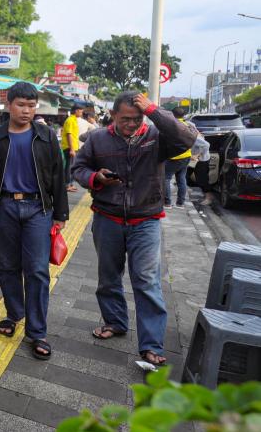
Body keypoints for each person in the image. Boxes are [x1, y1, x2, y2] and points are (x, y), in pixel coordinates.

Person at [72, 91, 196, 367]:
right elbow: (78, 168)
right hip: (107, 218)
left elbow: (186, 138)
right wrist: (95, 178)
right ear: (113, 115)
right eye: (125, 119)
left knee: (147, 281)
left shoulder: (156, 137)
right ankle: (115, 322)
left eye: (137, 118)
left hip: (146, 220)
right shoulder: (97, 138)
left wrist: (153, 110)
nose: (131, 124)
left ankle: (151, 345)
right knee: (108, 276)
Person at [0, 82, 68, 361]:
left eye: (31, 105)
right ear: (9, 104)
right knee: (8, 266)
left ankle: (37, 332)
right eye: (21, 105)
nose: (27, 111)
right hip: (6, 208)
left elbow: (59, 176)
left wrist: (61, 214)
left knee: (37, 270)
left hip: (38, 208)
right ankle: (14, 313)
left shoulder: (46, 136)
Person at [163, 107, 193, 208]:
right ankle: (180, 203)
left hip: (174, 157)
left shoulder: (171, 125)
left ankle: (167, 203)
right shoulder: (188, 125)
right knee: (181, 178)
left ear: (172, 114)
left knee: (166, 178)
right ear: (183, 115)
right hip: (187, 156)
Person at [61, 104, 83, 192]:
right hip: (69, 147)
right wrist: (72, 149)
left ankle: (69, 184)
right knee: (69, 167)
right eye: (80, 111)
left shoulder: (74, 120)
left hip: (73, 147)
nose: (81, 113)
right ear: (76, 111)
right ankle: (67, 185)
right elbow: (69, 135)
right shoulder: (70, 120)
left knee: (71, 166)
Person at [192, 134, 215, 206]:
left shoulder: (193, 137)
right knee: (187, 175)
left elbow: (207, 144)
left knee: (202, 179)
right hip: (193, 159)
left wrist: (197, 155)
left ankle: (209, 197)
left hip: (202, 160)